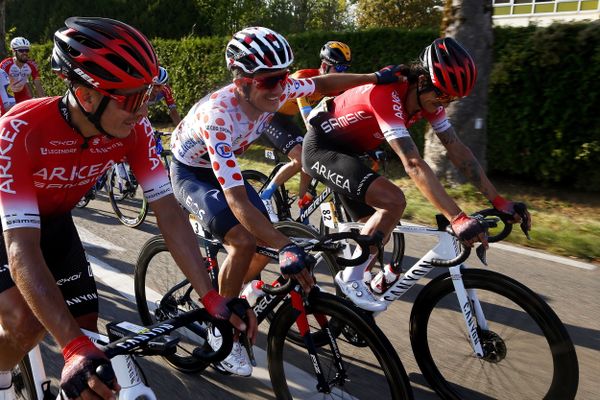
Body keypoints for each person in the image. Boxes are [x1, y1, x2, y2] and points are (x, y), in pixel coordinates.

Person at [0, 17, 253, 400]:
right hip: (8, 226)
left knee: (86, 333)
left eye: (148, 94)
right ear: (86, 95)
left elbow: (169, 213)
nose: (143, 109)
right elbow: (20, 247)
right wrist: (69, 349)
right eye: (133, 98)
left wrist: (211, 295)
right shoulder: (19, 129)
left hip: (55, 220)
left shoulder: (136, 131)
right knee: (26, 323)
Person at [169, 26, 401, 377]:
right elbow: (236, 201)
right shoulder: (218, 116)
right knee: (243, 240)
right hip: (190, 172)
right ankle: (218, 330)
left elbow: (323, 85)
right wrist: (287, 246)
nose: (280, 89)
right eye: (268, 81)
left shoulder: (279, 86)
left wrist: (374, 77)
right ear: (241, 79)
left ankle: (230, 294)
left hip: (217, 168)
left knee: (265, 246)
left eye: (283, 77)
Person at [302, 37, 531, 312]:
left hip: (351, 154)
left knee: (374, 234)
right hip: (322, 148)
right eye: (443, 95)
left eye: (451, 99)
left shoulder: (427, 101)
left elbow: (457, 150)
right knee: (394, 201)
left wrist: (499, 201)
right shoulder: (387, 94)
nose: (444, 104)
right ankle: (348, 279)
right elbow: (412, 163)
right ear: (422, 82)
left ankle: (348, 312)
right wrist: (456, 218)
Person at [260, 41, 353, 218]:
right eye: (339, 68)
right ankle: (265, 196)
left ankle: (303, 209)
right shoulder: (304, 78)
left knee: (308, 160)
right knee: (300, 157)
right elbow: (307, 117)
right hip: (269, 117)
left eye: (345, 68)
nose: (343, 73)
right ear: (325, 66)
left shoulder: (332, 87)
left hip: (286, 119)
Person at [0, 37, 45, 103]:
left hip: (22, 94)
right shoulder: (5, 65)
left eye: (26, 50)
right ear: (14, 51)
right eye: (21, 50)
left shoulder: (32, 65)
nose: (24, 53)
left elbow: (38, 84)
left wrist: (44, 101)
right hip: (7, 94)